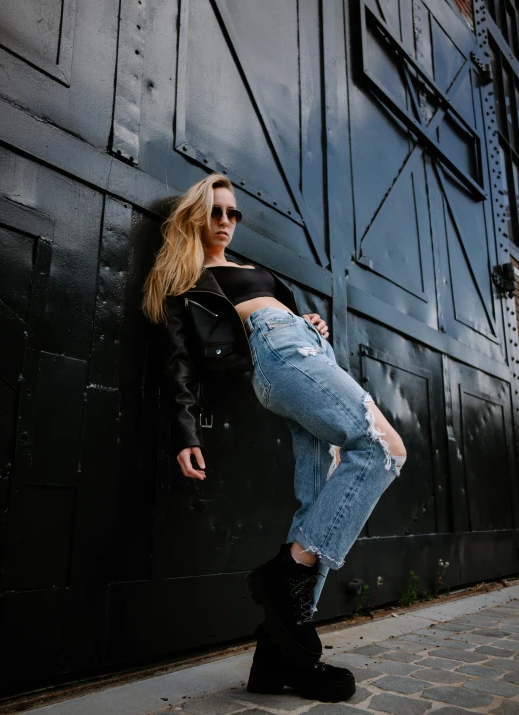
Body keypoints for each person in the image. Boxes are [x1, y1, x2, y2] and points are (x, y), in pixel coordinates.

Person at [142, 173, 407, 702]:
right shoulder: (187, 279)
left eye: (232, 214)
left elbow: (273, 308)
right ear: (195, 215)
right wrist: (184, 432)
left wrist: (306, 321)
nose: (225, 222)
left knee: (317, 499)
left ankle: (281, 656)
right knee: (383, 448)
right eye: (215, 211)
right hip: (282, 357)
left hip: (305, 350)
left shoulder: (248, 268)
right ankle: (285, 571)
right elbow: (177, 367)